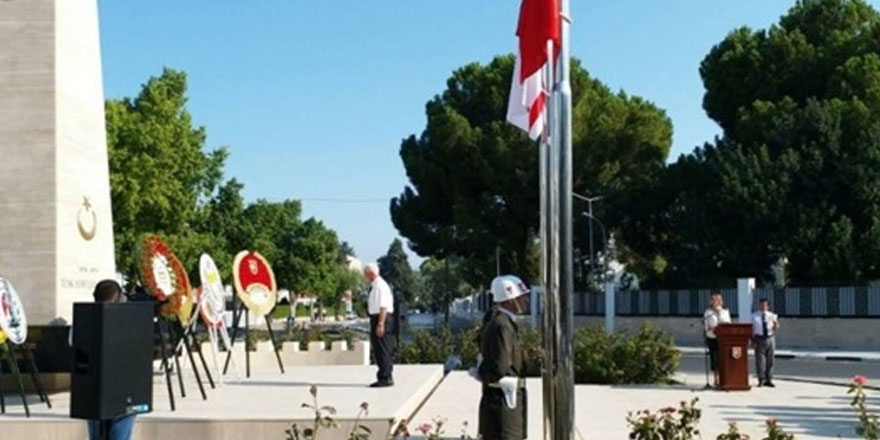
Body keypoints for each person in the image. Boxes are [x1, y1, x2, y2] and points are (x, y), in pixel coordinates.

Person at [476, 275, 529, 440]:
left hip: (505, 400)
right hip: (503, 402)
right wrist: (483, 373)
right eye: (520, 297)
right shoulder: (502, 325)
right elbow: (500, 366)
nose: (525, 301)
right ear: (508, 300)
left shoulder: (503, 322)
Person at [87, 279, 137, 440]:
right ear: (121, 298)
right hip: (124, 390)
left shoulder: (85, 320)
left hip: (93, 391)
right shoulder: (131, 322)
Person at [364, 262, 394, 387]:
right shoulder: (377, 285)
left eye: (366, 275)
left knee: (382, 349)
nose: (365, 277)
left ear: (370, 274)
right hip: (377, 317)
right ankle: (386, 375)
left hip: (381, 318)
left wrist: (380, 323)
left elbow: (383, 306)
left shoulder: (380, 286)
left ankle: (385, 377)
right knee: (381, 348)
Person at [703, 291, 731, 387]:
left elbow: (728, 325)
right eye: (714, 299)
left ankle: (725, 378)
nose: (716, 301)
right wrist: (713, 328)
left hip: (724, 340)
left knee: (723, 358)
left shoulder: (725, 312)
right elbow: (707, 327)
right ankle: (716, 379)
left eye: (718, 299)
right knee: (715, 359)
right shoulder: (708, 312)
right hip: (713, 338)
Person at [752, 298, 779, 387]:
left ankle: (769, 379)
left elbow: (776, 326)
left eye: (765, 305)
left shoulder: (771, 315)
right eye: (761, 305)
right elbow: (752, 329)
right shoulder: (754, 316)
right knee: (760, 361)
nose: (763, 307)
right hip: (759, 338)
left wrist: (776, 326)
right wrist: (752, 340)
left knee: (770, 360)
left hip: (770, 338)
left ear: (768, 306)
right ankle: (761, 379)